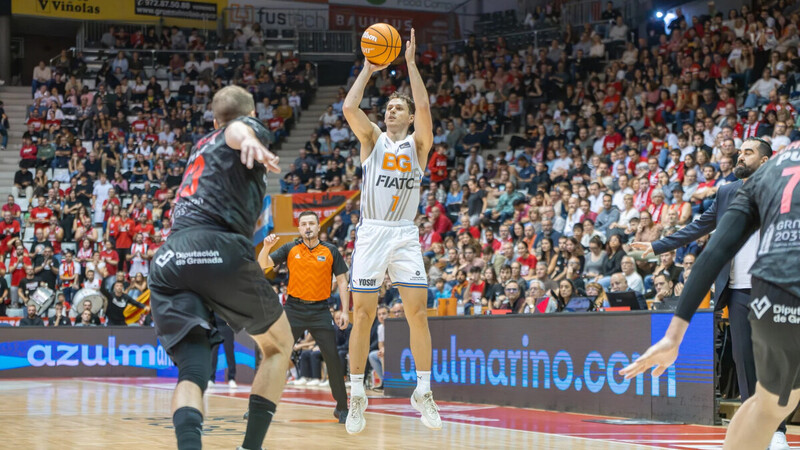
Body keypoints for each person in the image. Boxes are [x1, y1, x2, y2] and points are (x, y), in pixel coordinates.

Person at [621, 139, 800, 450]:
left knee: (782, 383)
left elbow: (711, 253)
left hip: (780, 286)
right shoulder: (730, 191)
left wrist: (674, 335)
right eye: (739, 151)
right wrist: (658, 245)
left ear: (768, 160)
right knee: (748, 366)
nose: (739, 156)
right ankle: (776, 433)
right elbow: (703, 231)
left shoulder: (780, 183)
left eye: (748, 152)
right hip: (742, 290)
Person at [148, 85, 293, 450]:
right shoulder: (243, 129)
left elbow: (228, 130)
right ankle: (250, 447)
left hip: (170, 257)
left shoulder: (200, 144)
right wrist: (249, 138)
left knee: (193, 373)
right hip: (216, 247)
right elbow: (236, 131)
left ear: (212, 119)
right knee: (279, 345)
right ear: (253, 115)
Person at [342, 29, 442, 434]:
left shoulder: (419, 145)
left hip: (403, 233)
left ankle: (423, 390)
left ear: (409, 115)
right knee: (363, 315)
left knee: (417, 312)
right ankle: (356, 394)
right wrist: (367, 69)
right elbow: (350, 107)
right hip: (372, 233)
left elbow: (423, 103)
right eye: (388, 109)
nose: (391, 113)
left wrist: (413, 65)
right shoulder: (372, 140)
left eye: (398, 109)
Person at [258, 210, 351, 423]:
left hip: (320, 310)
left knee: (333, 360)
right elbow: (263, 265)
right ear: (299, 228)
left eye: (311, 223)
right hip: (293, 310)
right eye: (304, 224)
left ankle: (342, 407)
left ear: (319, 227)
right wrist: (266, 247)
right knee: (275, 355)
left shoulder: (331, 251)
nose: (308, 227)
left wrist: (344, 310)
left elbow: (343, 281)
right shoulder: (290, 248)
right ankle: (261, 406)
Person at [209, 312, 238, 389]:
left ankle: (231, 378)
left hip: (227, 326)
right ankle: (211, 378)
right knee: (213, 353)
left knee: (229, 352)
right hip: (215, 326)